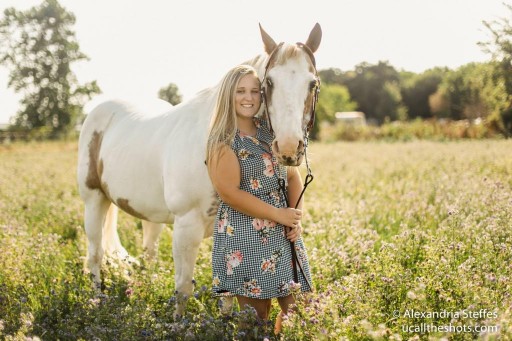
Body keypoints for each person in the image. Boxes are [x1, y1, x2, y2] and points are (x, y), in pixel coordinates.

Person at [206, 64, 313, 333]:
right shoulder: (223, 141)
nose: (249, 97)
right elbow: (230, 194)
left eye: (255, 91)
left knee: (301, 310)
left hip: (283, 231)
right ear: (228, 95)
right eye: (240, 91)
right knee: (257, 318)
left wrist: (295, 218)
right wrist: (279, 215)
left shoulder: (269, 132)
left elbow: (292, 176)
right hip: (245, 236)